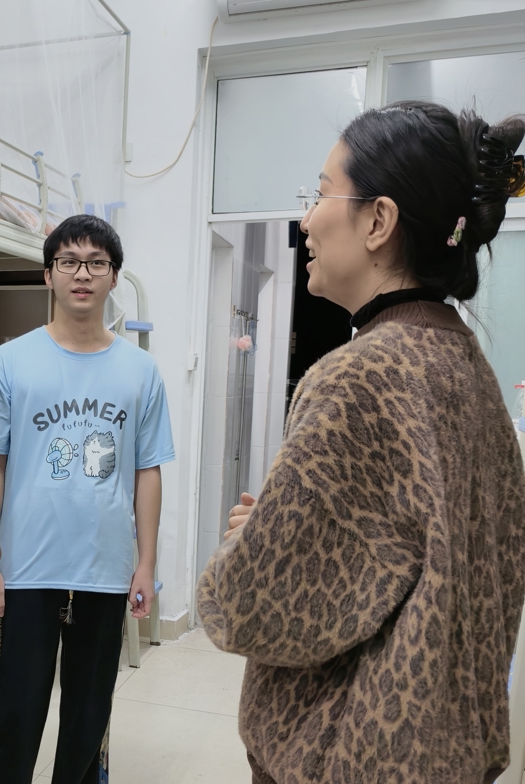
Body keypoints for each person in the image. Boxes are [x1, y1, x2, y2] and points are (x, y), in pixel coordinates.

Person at [197, 101, 525, 784]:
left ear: (378, 221)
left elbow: (250, 602)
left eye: (320, 195)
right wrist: (284, 529)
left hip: (351, 756)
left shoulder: (359, 376)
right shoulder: (472, 373)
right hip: (448, 753)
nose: (305, 221)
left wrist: (252, 541)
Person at [0, 214, 175, 783]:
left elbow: (147, 470)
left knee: (89, 718)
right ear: (48, 274)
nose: (82, 274)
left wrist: (145, 563)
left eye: (96, 263)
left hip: (104, 570)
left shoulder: (141, 371)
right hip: (24, 569)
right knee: (14, 715)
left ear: (114, 276)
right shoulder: (10, 361)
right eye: (68, 262)